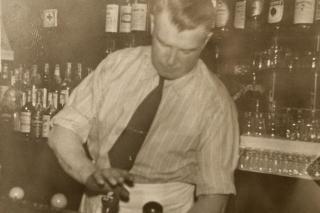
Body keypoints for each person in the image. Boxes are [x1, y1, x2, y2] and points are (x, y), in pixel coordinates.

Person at [48, 0, 239, 212]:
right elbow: (64, 130)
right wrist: (89, 174)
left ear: (206, 41)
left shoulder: (215, 103)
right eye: (163, 44)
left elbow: (214, 198)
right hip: (96, 203)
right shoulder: (116, 66)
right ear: (152, 23)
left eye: (186, 51)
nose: (171, 60)